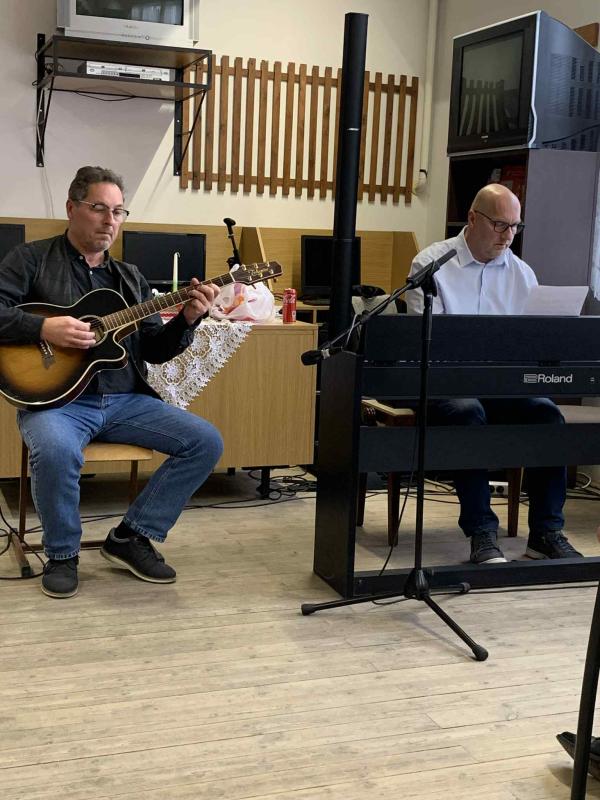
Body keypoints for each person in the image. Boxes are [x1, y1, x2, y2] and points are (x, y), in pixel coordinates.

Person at [0, 166, 224, 598]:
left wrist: (188, 318)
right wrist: (43, 328)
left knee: (205, 441)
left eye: (119, 211)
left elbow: (155, 350)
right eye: (99, 208)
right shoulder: (30, 260)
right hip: (56, 403)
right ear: (72, 208)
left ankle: (130, 537)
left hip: (124, 400)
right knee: (57, 450)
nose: (110, 221)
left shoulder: (130, 278)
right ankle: (62, 554)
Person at [406, 183, 582, 565]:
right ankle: (482, 532)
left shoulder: (522, 273)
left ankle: (546, 534)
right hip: (447, 385)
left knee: (547, 414)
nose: (508, 236)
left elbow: (532, 344)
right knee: (467, 411)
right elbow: (430, 346)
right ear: (473, 219)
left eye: (515, 226)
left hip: (503, 386)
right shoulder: (430, 265)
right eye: (500, 225)